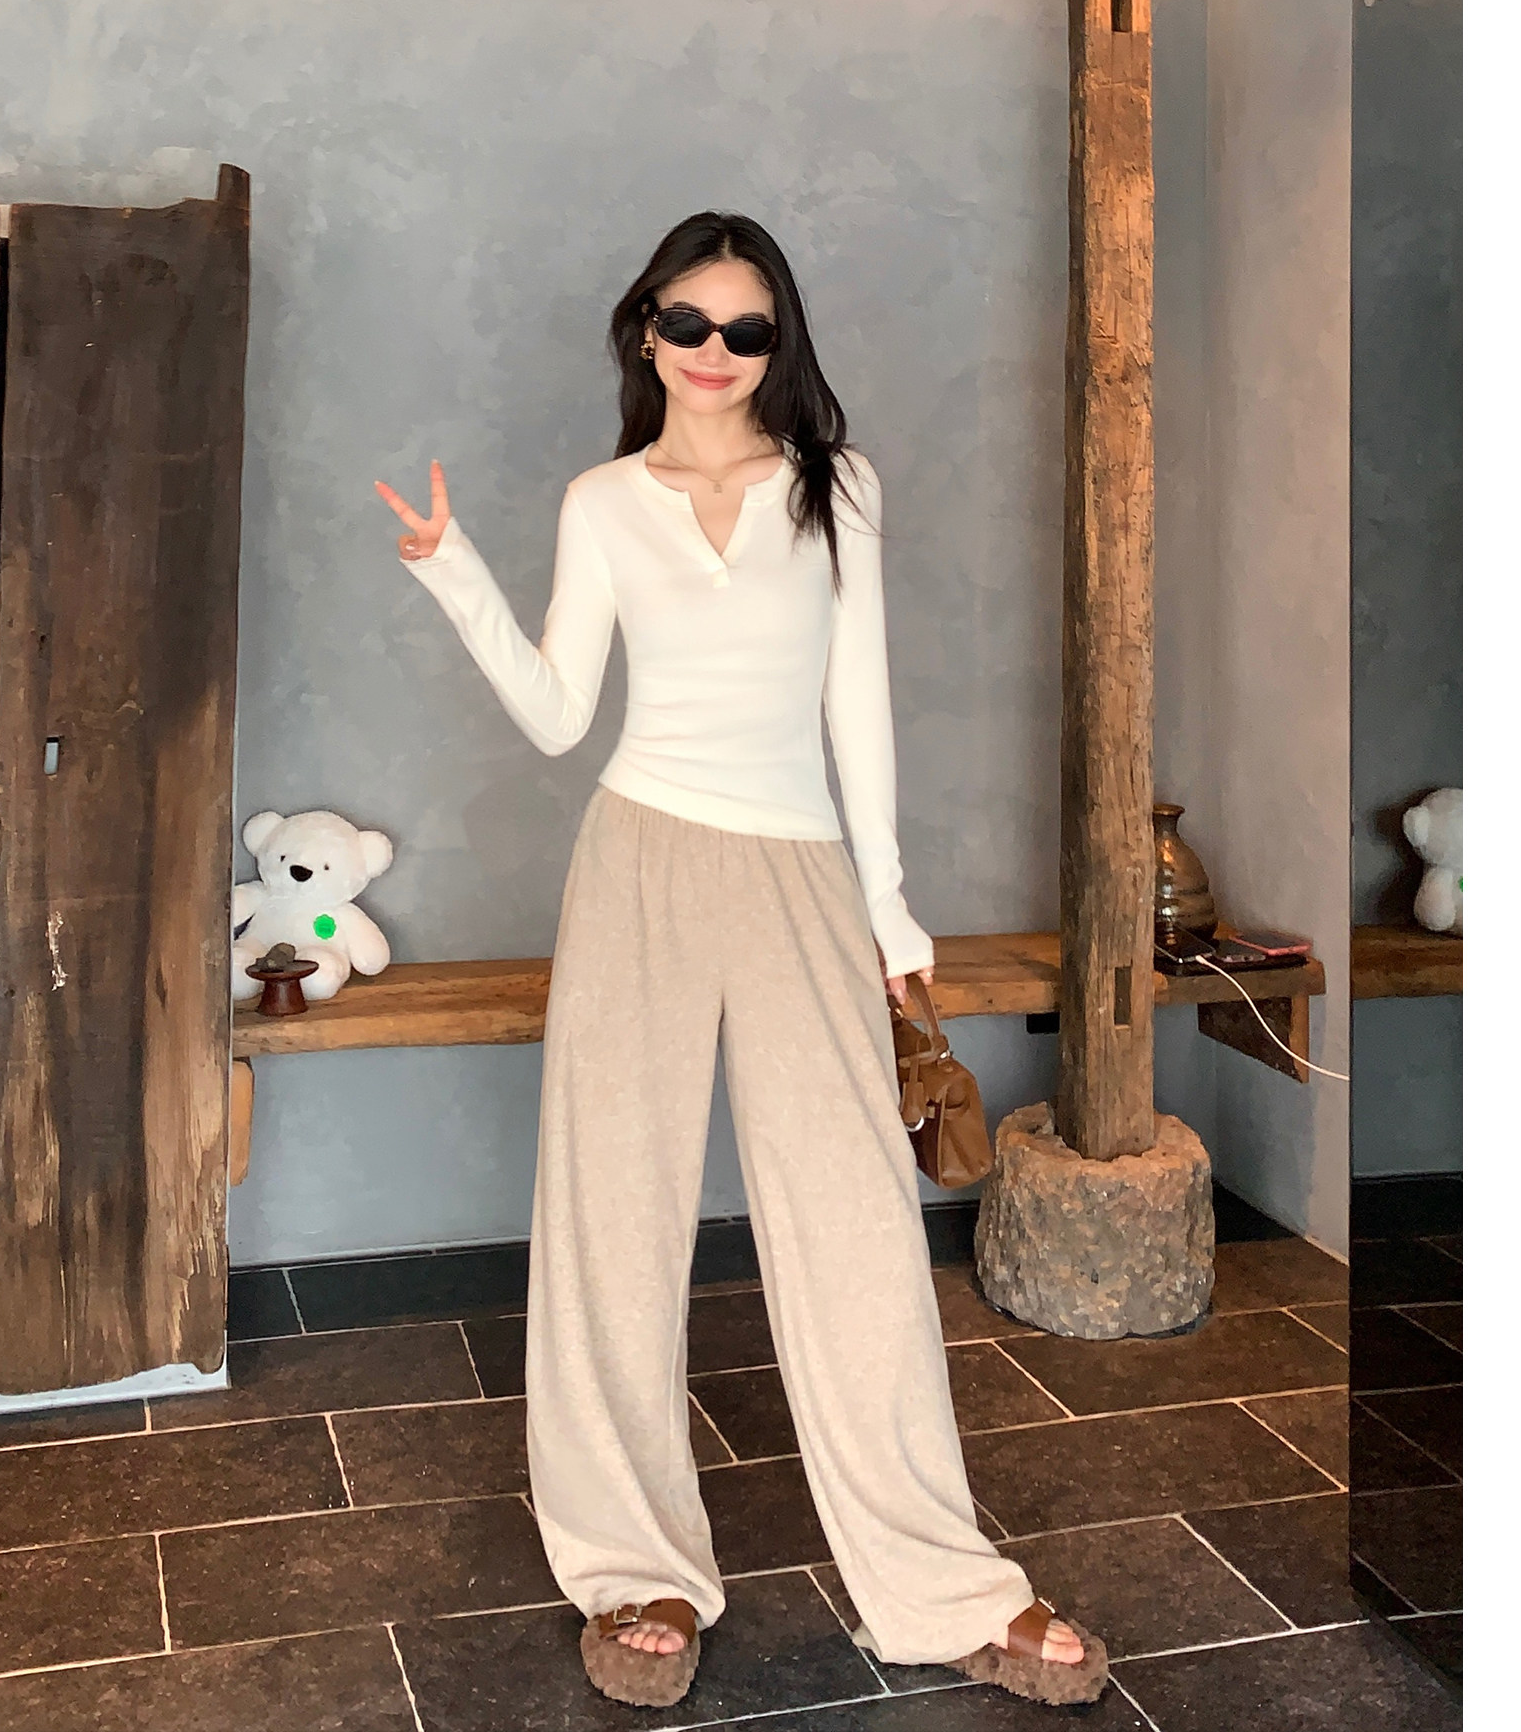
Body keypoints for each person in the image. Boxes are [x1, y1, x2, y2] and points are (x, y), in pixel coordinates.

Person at [376, 211, 1105, 1710]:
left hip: (796, 867)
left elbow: (860, 714)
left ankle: (944, 1584)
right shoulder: (600, 503)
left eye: (748, 329)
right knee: (611, 1214)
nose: (715, 352)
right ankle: (631, 1566)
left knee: (856, 1224)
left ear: (781, 345)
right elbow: (560, 714)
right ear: (644, 330)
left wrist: (888, 914)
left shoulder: (838, 488)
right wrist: (455, 574)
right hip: (638, 858)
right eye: (688, 323)